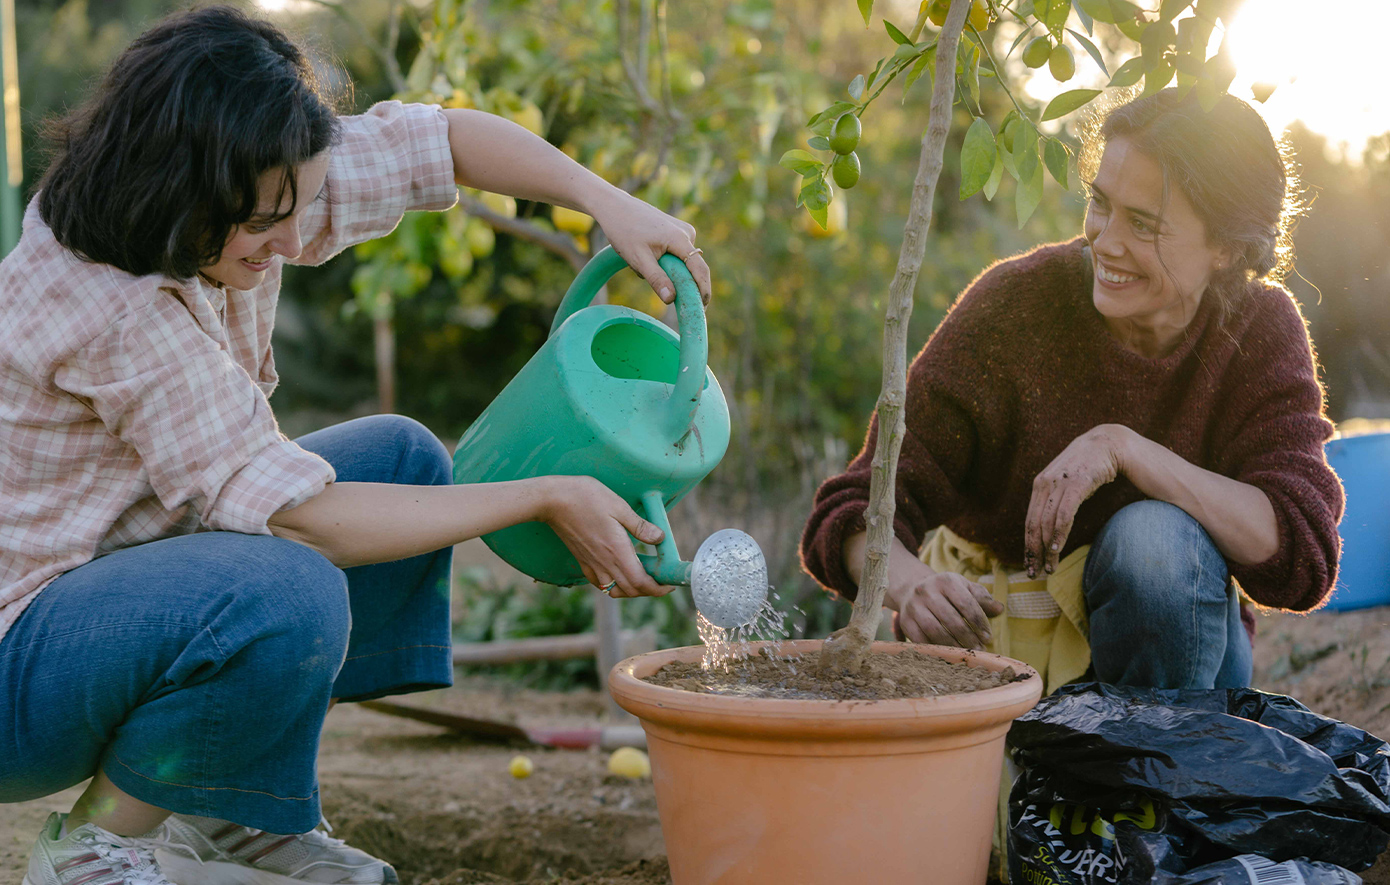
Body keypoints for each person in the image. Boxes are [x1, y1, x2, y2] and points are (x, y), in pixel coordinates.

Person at [0, 7, 712, 884]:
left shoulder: (252, 181)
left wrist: (607, 201)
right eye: (266, 225)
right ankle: (90, 846)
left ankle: (231, 811)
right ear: (181, 190)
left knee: (405, 460)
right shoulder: (111, 305)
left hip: (111, 596)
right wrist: (542, 492)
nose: (294, 244)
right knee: (286, 586)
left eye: (295, 210)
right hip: (19, 666)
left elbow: (445, 143)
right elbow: (306, 522)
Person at [801, 88, 1343, 694]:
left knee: (1155, 542)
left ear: (1227, 248)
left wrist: (1124, 449)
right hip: (1006, 656)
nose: (1106, 241)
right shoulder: (1017, 307)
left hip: (1178, 668)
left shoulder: (1258, 327)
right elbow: (849, 512)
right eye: (1099, 203)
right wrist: (910, 585)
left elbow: (1300, 553)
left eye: (1144, 224)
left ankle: (1154, 780)